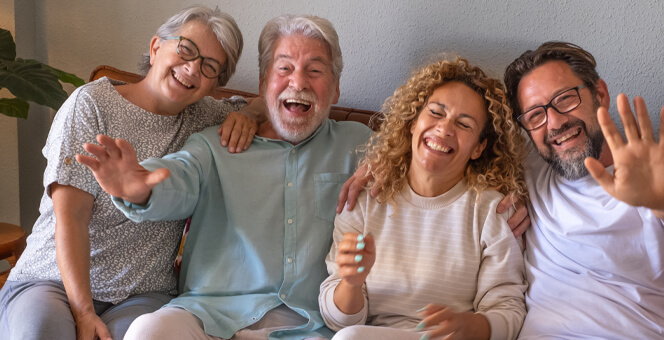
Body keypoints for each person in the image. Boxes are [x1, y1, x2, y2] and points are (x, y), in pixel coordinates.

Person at [77, 15, 373, 339]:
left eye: (315, 71)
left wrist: (392, 164)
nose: (298, 83)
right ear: (263, 84)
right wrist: (139, 190)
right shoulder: (214, 144)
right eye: (284, 69)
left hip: (311, 327)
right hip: (210, 318)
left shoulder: (360, 145)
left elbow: (422, 159)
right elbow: (179, 176)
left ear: (336, 88)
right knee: (148, 330)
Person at [0, 6, 261, 340]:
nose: (192, 68)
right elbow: (71, 217)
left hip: (142, 292)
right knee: (41, 332)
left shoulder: (204, 119)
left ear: (213, 86)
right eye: (186, 50)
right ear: (155, 48)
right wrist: (83, 313)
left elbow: (274, 97)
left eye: (209, 67)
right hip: (53, 280)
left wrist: (251, 114)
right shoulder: (92, 104)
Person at [502, 42, 664, 339]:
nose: (555, 122)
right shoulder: (530, 171)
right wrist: (503, 190)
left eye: (566, 98)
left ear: (600, 94)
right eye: (535, 115)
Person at [319, 58, 527, 340]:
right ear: (413, 122)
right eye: (436, 113)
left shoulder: (492, 211)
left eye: (464, 124)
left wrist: (470, 326)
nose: (445, 129)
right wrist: (350, 283)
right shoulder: (365, 199)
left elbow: (509, 310)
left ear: (478, 148)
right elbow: (338, 322)